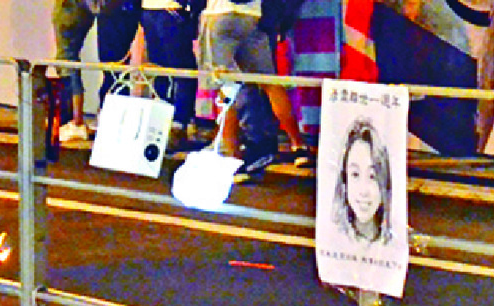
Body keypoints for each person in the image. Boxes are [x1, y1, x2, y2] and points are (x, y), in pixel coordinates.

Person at [198, 0, 313, 183]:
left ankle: (232, 158)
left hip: (220, 13)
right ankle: (298, 145)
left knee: (225, 84)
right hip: (253, 17)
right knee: (270, 83)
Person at [53, 0, 143, 144]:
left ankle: (78, 121)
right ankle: (103, 121)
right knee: (110, 66)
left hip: (109, 8)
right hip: (114, 9)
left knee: (69, 59)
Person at [140, 0, 202, 150]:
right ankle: (178, 126)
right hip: (172, 9)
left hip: (149, 9)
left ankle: (160, 127)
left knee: (161, 72)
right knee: (184, 72)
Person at [332, 117, 392, 244]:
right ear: (344, 180)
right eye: (355, 174)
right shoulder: (335, 237)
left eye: (372, 176)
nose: (363, 191)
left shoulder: (393, 241)